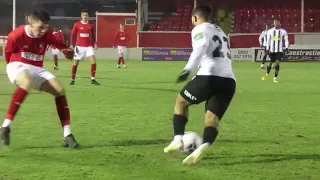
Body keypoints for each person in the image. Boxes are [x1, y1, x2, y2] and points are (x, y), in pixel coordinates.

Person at [163, 6, 236, 165]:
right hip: (229, 81)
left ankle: (177, 139)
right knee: (212, 118)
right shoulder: (221, 32)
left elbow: (201, 46)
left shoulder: (199, 29)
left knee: (181, 101)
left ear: (195, 18)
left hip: (209, 76)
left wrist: (187, 69)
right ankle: (204, 145)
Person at [0, 9, 80, 149]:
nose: (43, 31)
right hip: (17, 64)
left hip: (37, 68)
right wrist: (14, 72)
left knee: (59, 90)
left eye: (46, 28)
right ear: (30, 23)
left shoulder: (46, 35)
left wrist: (66, 51)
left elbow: (60, 45)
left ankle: (67, 135)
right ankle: (5, 127)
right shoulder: (17, 35)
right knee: (27, 81)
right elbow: (7, 53)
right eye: (40, 27)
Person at [70, 9, 100, 85]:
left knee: (93, 62)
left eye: (86, 15)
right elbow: (72, 34)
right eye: (84, 15)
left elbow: (93, 35)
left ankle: (93, 79)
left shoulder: (91, 25)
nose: (85, 16)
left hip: (88, 46)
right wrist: (71, 44)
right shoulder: (77, 24)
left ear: (88, 16)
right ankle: (72, 80)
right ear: (81, 16)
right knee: (75, 63)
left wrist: (95, 43)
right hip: (79, 47)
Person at [262, 19, 289, 83]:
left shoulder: (283, 31)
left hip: (279, 50)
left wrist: (287, 47)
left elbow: (286, 40)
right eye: (275, 23)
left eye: (277, 22)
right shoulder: (270, 31)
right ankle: (267, 74)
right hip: (272, 50)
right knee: (270, 63)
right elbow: (268, 40)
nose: (276, 24)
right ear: (273, 24)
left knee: (277, 63)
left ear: (280, 23)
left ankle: (275, 78)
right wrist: (267, 49)